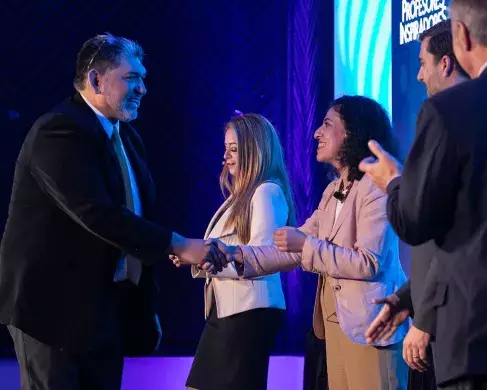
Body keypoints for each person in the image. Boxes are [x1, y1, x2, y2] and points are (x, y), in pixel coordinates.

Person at [0, 33, 220, 390]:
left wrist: (161, 259)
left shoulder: (127, 137)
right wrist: (177, 244)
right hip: (52, 310)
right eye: (131, 78)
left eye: (143, 79)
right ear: (96, 79)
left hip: (105, 311)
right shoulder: (58, 130)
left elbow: (136, 216)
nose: (143, 89)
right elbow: (96, 213)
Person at [359, 0, 487, 388]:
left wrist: (393, 183)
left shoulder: (449, 111)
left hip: (480, 345)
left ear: (462, 35)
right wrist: (408, 299)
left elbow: (416, 222)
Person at [206, 96, 409, 390]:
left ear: (353, 132)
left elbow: (368, 263)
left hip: (371, 325)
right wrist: (234, 254)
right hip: (335, 325)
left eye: (327, 124)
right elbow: (288, 248)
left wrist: (305, 245)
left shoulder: (375, 188)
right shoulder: (332, 191)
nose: (317, 133)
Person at [364, 19, 468, 390]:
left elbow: (441, 233)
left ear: (446, 63)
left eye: (423, 63)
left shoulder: (449, 120)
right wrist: (408, 298)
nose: (420, 76)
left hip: (462, 332)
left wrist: (394, 184)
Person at [184, 114, 295, 390]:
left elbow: (261, 257)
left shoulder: (266, 192)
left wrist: (208, 259)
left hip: (248, 312)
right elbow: (227, 252)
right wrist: (197, 256)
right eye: (226, 148)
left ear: (254, 149)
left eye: (234, 149)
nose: (226, 156)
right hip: (228, 313)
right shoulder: (241, 195)